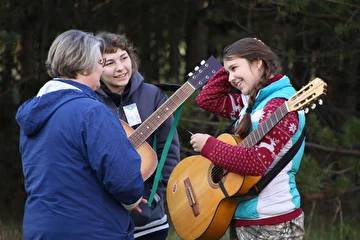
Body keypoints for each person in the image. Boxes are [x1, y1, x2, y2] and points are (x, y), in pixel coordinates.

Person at [15, 29, 145, 240]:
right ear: (86, 68)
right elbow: (124, 179)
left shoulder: (35, 112)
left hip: (40, 229)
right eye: (101, 63)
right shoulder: (92, 111)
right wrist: (131, 200)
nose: (102, 71)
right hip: (92, 229)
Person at [190, 38, 306, 239]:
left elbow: (256, 161)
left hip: (273, 222)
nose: (230, 78)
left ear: (257, 62)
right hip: (244, 216)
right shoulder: (251, 103)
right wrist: (227, 65)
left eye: (235, 68)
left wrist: (209, 146)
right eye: (228, 72)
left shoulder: (279, 105)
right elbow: (207, 99)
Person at [95, 32, 180, 240]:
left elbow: (168, 151)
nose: (120, 68)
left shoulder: (153, 95)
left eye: (124, 58)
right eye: (109, 62)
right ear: (96, 67)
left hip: (149, 217)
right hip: (103, 219)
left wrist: (157, 195)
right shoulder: (89, 101)